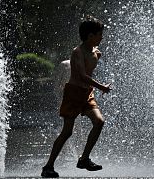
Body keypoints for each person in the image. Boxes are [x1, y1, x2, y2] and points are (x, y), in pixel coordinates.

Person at [41, 15, 111, 178]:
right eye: (100, 34)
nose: (102, 37)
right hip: (73, 93)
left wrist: (95, 89)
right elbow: (81, 75)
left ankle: (84, 158)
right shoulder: (77, 52)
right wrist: (102, 87)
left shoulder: (96, 53)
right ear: (90, 36)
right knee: (67, 132)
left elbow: (88, 74)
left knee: (99, 122)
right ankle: (48, 166)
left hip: (87, 94)